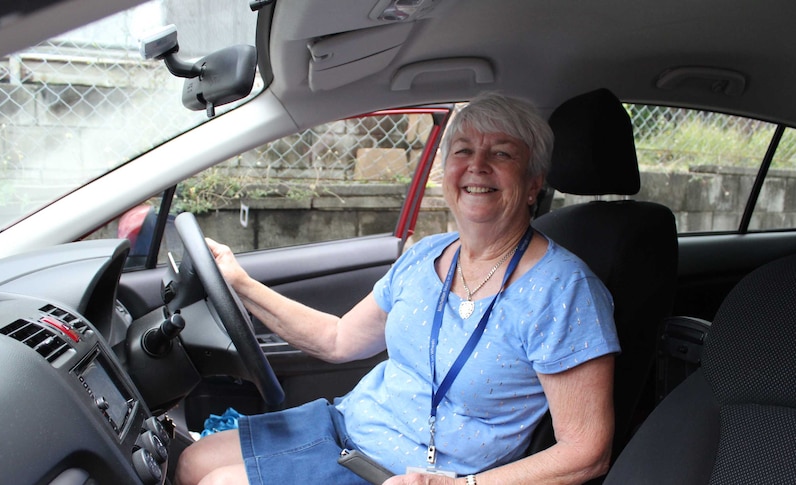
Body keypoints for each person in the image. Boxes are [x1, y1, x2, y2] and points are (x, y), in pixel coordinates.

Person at [175, 92, 620, 485]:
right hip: (346, 427)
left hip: (410, 476)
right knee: (191, 463)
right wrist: (239, 282)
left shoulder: (565, 291)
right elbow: (338, 338)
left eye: (502, 154)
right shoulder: (427, 254)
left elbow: (587, 451)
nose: (477, 166)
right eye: (463, 150)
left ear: (533, 184)